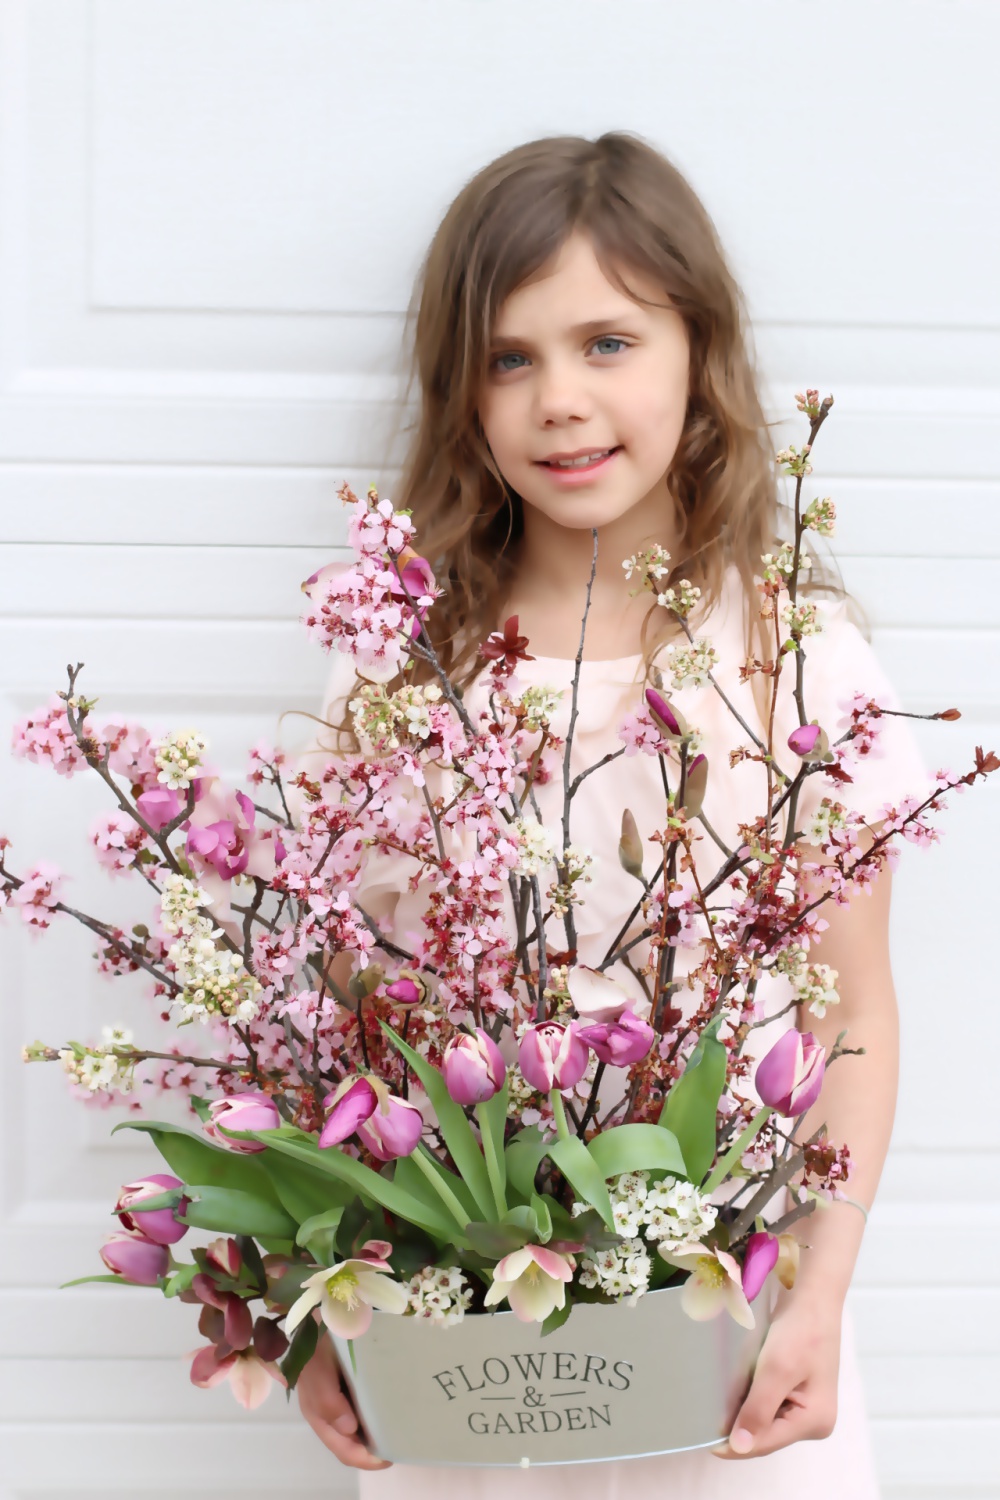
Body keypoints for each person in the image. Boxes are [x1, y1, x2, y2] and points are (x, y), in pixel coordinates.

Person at [289, 133, 928, 1497]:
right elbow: (351, 1017)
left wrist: (817, 1295)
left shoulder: (792, 661)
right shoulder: (403, 664)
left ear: (699, 350)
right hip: (458, 1341)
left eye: (606, 343)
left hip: (724, 1335)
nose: (560, 401)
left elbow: (852, 1012)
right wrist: (319, 1302)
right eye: (510, 359)